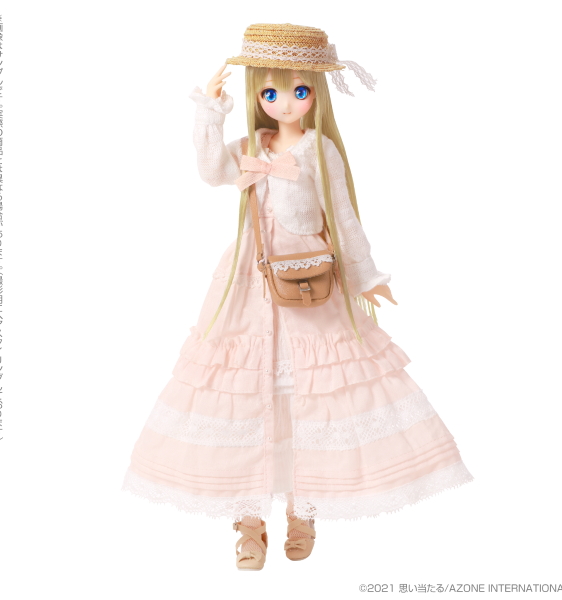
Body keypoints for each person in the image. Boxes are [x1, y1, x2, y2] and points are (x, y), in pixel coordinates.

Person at [122, 23, 474, 571]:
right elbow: (211, 171)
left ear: (316, 93)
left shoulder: (318, 149)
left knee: (312, 389)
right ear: (256, 95)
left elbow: (343, 216)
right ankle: (248, 521)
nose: (284, 103)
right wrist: (210, 113)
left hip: (310, 280)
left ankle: (303, 512)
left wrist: (366, 275)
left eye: (298, 90)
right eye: (270, 92)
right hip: (247, 279)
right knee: (246, 388)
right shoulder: (252, 145)